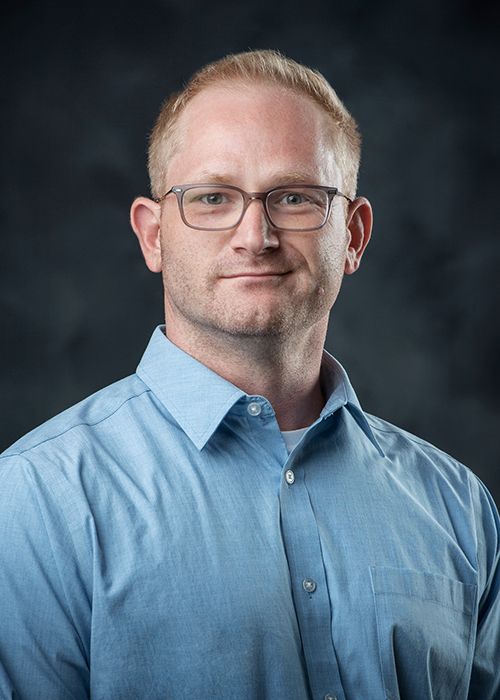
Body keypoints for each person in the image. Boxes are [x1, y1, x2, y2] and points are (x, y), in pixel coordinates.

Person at [0, 49, 498, 700]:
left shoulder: (460, 509)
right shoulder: (33, 504)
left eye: (294, 197)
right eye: (212, 198)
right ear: (153, 236)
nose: (254, 235)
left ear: (352, 234)